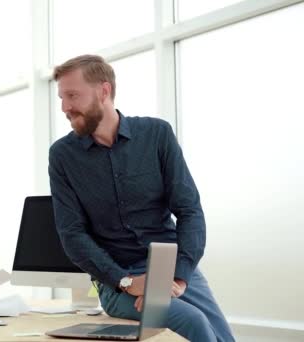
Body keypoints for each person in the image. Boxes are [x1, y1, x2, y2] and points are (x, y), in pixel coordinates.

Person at [48, 55, 234, 342]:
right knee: (194, 321)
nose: (65, 107)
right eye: (62, 97)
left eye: (72, 96)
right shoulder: (63, 156)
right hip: (116, 278)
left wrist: (178, 277)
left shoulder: (157, 134)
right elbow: (72, 234)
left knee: (223, 335)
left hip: (170, 268)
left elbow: (189, 210)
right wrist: (128, 282)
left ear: (104, 91)